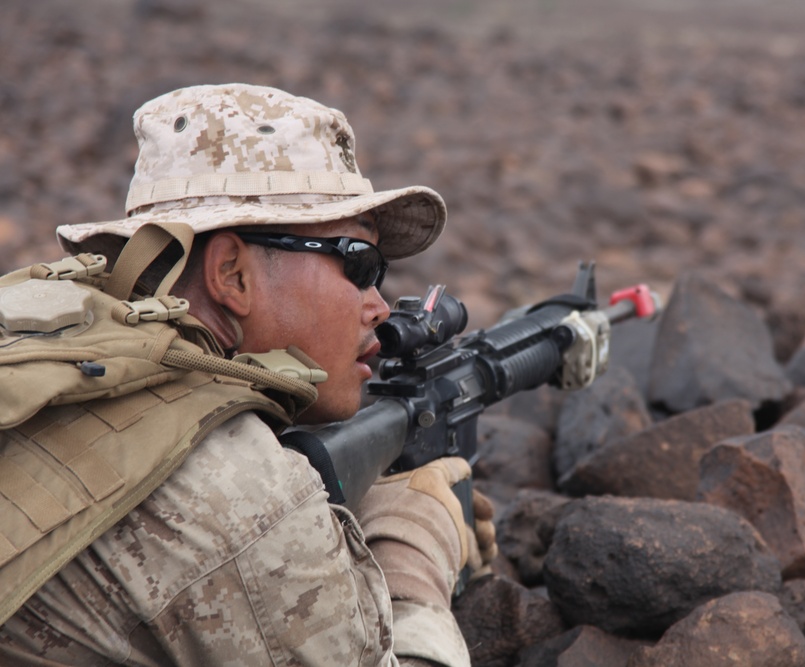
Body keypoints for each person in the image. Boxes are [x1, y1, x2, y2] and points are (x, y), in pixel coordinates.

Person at [0, 83, 494, 666]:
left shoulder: (47, 338)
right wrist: (415, 540)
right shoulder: (240, 496)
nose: (382, 306)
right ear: (231, 274)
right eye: (359, 264)